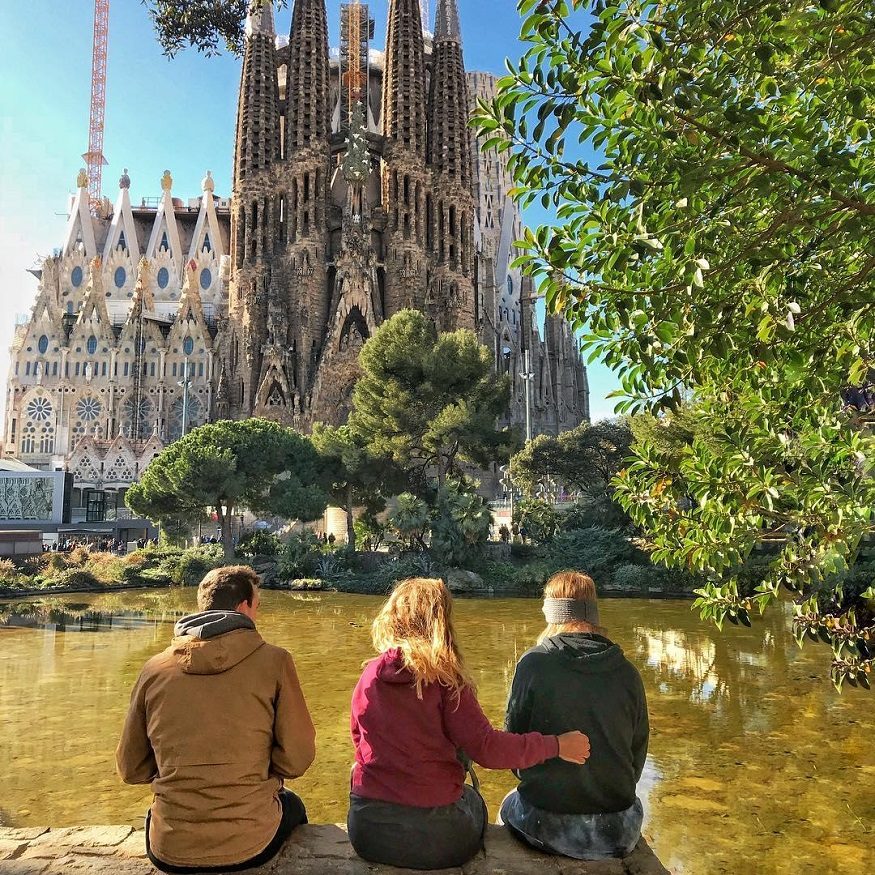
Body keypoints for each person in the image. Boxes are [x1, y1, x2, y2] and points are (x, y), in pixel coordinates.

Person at [348, 577, 591, 870]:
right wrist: (556, 745)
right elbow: (487, 748)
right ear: (442, 622)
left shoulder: (369, 676)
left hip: (366, 831)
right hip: (438, 838)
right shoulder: (445, 679)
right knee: (475, 801)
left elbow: (359, 740)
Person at [117, 566, 316, 873]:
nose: (258, 615)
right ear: (243, 608)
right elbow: (297, 759)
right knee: (294, 806)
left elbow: (130, 768)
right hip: (252, 843)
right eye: (258, 606)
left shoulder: (154, 669)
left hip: (170, 846)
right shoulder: (275, 661)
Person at [499, 571, 649, 860]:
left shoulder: (534, 664)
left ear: (552, 613)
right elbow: (637, 756)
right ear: (593, 613)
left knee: (508, 803)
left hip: (550, 826)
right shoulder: (629, 673)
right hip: (618, 828)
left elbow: (514, 750)